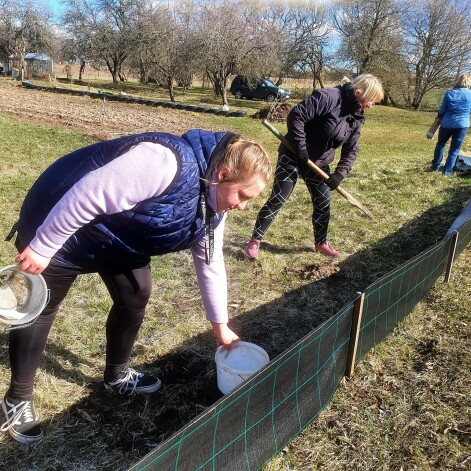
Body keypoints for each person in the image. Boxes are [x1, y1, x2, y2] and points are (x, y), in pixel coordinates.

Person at [1, 130, 272, 444]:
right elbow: (88, 194)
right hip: (58, 219)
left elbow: (211, 263)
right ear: (223, 175)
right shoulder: (164, 163)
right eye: (242, 196)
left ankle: (117, 375)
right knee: (40, 307)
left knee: (135, 293)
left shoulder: (214, 206)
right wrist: (44, 245)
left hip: (117, 233)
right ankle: (17, 399)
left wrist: (220, 326)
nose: (242, 207)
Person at [245, 74, 384, 260]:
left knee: (323, 202)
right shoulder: (329, 97)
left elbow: (351, 150)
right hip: (293, 154)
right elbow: (297, 116)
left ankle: (321, 243)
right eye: (371, 100)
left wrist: (340, 174)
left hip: (319, 163)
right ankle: (255, 240)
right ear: (359, 92)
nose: (370, 105)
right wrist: (301, 149)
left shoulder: (356, 117)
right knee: (279, 197)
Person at [431, 73, 471, 175]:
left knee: (440, 145)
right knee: (454, 149)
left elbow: (442, 110)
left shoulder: (449, 93)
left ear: (458, 81)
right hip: (462, 124)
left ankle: (435, 166)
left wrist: (439, 117)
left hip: (447, 124)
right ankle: (447, 172)